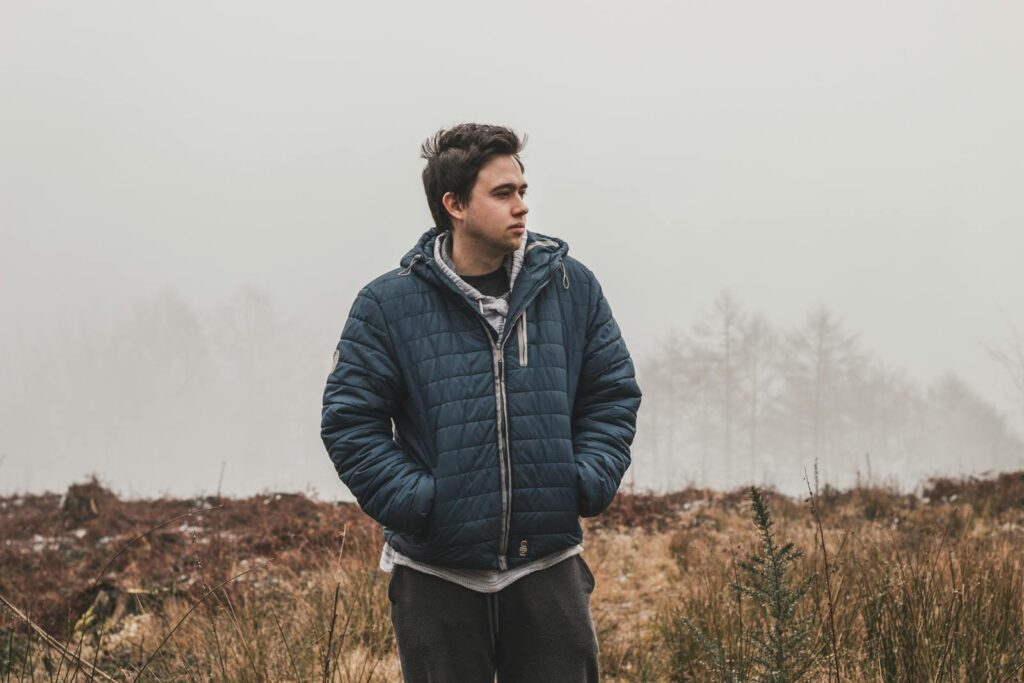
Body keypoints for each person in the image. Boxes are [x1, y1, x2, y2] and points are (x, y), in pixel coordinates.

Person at [321, 123, 642, 682]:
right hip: (436, 577)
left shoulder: (571, 287)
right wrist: (422, 503)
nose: (522, 206)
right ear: (454, 205)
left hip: (547, 565)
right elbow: (351, 424)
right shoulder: (387, 305)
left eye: (522, 190)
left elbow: (611, 394)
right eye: (503, 193)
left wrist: (584, 479)